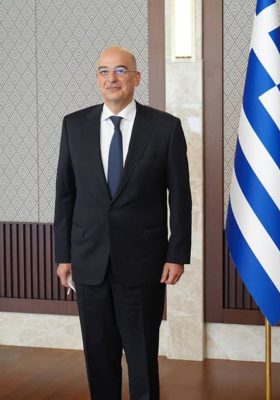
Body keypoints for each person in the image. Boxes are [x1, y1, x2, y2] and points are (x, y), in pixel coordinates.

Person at [54, 46, 192, 399]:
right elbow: (65, 195)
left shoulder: (165, 128)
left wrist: (177, 254)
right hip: (89, 261)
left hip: (143, 263)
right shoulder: (74, 125)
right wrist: (63, 255)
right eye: (104, 71)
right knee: (99, 359)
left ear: (136, 78)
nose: (111, 78)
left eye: (120, 70)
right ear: (97, 78)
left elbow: (180, 196)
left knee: (142, 359)